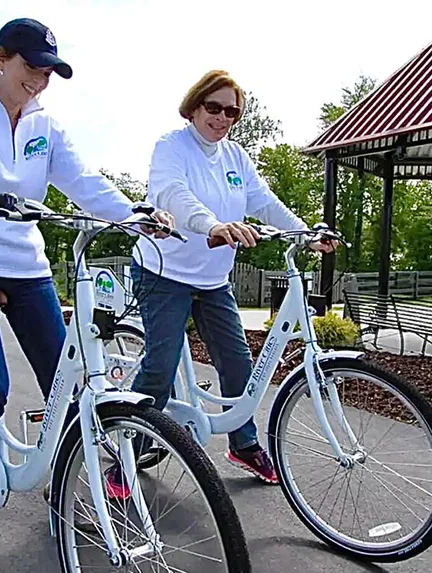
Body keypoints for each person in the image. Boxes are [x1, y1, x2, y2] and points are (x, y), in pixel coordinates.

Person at [0, 18, 174, 568]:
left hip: (23, 265)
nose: (40, 80)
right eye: (32, 68)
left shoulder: (46, 127)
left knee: (70, 381)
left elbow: (83, 181)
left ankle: (62, 479)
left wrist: (135, 213)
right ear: (1, 59)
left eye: (49, 72)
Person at [114, 70, 335, 494]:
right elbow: (173, 195)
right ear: (194, 107)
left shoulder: (235, 157)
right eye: (213, 107)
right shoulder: (171, 147)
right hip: (164, 272)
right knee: (159, 366)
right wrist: (212, 225)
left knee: (238, 364)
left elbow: (263, 201)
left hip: (213, 280)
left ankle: (244, 443)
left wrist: (305, 233)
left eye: (231, 111)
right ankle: (129, 452)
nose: (222, 117)